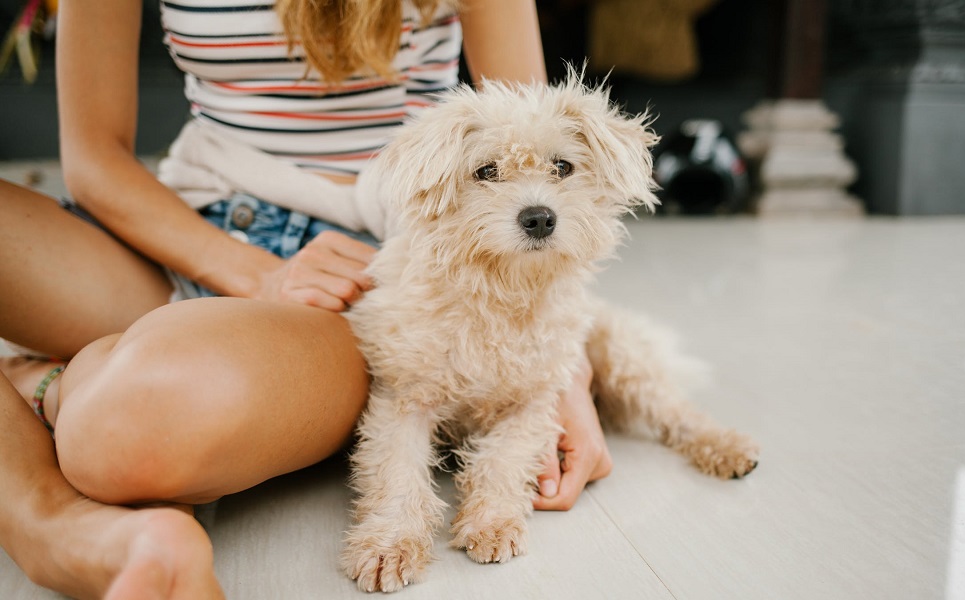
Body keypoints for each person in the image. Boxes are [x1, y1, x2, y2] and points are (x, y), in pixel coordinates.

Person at [0, 0, 613, 597]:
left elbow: (532, 159)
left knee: (121, 433)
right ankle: (42, 509)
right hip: (181, 231)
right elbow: (95, 156)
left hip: (365, 276)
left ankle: (55, 434)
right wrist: (254, 272)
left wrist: (557, 369)